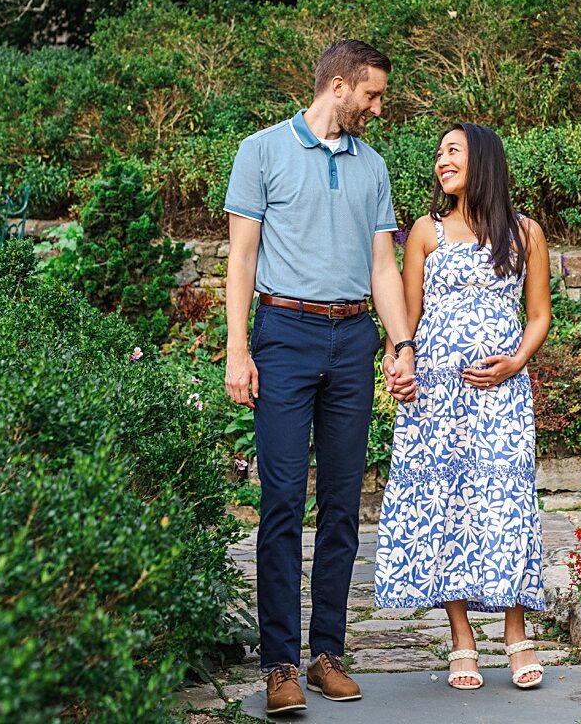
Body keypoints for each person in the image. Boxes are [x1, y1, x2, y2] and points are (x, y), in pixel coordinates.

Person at [223, 39, 418, 716]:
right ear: (338, 86)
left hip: (350, 339)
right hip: (282, 336)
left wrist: (401, 344)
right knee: (280, 501)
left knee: (340, 505)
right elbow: (241, 261)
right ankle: (278, 663)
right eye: (372, 94)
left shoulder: (373, 167)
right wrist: (236, 349)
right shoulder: (261, 152)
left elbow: (382, 268)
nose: (377, 107)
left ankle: (325, 653)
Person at [373, 122, 551, 692]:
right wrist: (397, 363)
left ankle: (515, 632)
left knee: (504, 502)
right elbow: (407, 316)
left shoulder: (525, 233)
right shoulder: (425, 232)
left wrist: (514, 362)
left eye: (453, 151)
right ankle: (461, 639)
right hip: (435, 396)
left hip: (498, 392)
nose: (441, 161)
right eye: (439, 154)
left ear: (484, 160)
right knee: (444, 505)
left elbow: (539, 316)